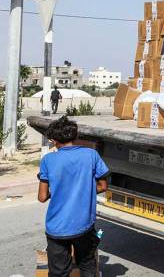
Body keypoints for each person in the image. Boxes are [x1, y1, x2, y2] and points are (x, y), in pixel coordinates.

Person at [37, 116, 109, 277]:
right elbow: (103, 186)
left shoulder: (48, 160)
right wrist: (85, 190)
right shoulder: (91, 155)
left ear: (54, 140)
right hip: (83, 225)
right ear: (75, 136)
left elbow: (42, 197)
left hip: (57, 228)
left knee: (58, 271)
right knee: (87, 265)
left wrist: (59, 191)